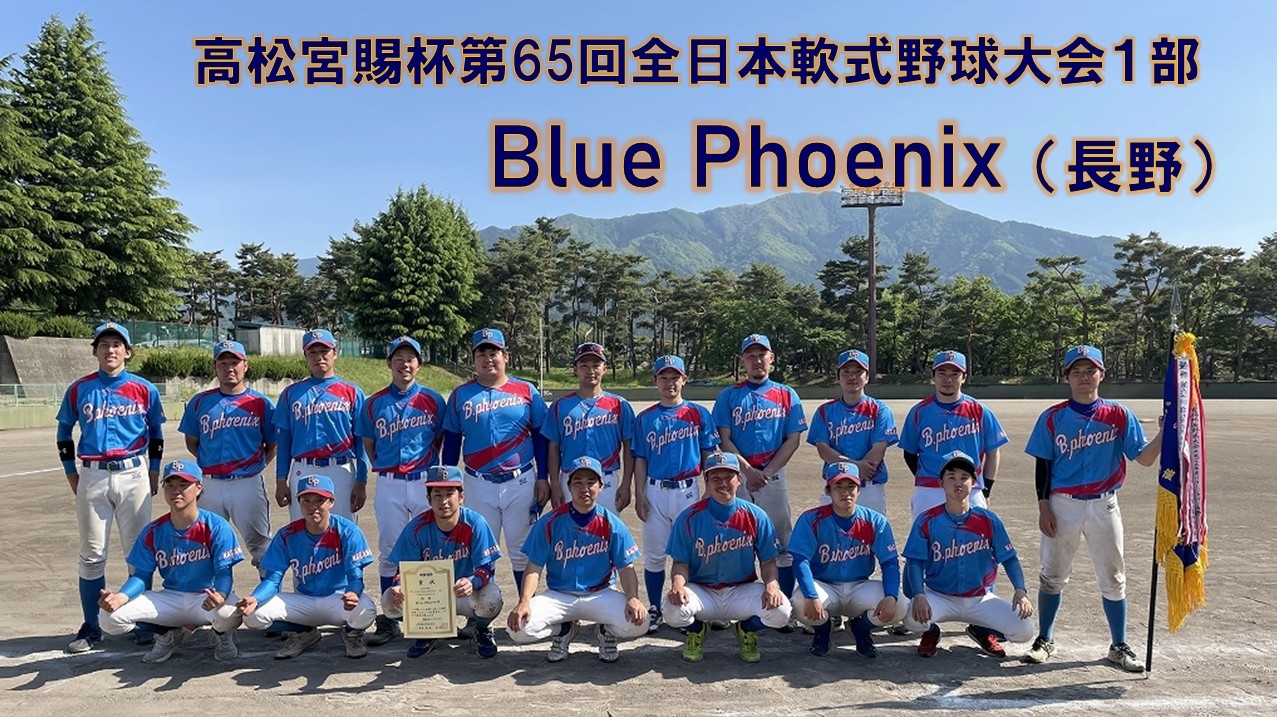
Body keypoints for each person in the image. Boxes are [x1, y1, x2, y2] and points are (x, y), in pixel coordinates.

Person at [1021, 345, 1163, 672]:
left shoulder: (1119, 414)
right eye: (1077, 371)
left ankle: (1119, 644)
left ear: (1102, 375)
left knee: (1113, 577)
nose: (1084, 377)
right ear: (1067, 377)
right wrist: (1044, 506)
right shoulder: (1053, 417)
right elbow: (1043, 465)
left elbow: (1143, 458)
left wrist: (1163, 433)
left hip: (1104, 503)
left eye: (1090, 371)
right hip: (1062, 503)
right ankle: (1045, 638)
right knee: (1053, 574)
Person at [56, 321, 166, 653]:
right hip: (93, 474)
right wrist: (70, 472)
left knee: (138, 552)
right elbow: (63, 433)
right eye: (104, 344)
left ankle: (141, 621)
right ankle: (92, 626)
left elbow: (156, 435)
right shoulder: (80, 389)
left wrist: (154, 471)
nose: (110, 350)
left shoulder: (145, 389)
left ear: (127, 352)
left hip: (134, 473)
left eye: (117, 344)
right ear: (95, 352)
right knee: (92, 555)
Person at [96, 460, 244, 663]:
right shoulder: (153, 530)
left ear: (199, 488)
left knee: (228, 614)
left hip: (206, 598)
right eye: (170, 485)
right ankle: (168, 634)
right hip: (171, 598)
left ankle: (222, 634)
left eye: (184, 485)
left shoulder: (216, 526)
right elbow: (141, 575)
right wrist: (121, 597)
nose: (176, 491)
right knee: (109, 618)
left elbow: (224, 572)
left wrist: (221, 594)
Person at [507, 457, 649, 663]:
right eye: (578, 482)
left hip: (600, 594)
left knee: (640, 622)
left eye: (591, 482)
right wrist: (524, 601)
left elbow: (626, 567)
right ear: (569, 486)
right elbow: (534, 567)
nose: (585, 488)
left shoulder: (611, 524)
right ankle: (564, 630)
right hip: (559, 596)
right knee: (518, 629)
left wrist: (632, 598)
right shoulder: (550, 522)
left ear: (601, 486)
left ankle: (606, 631)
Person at [442, 328, 549, 593]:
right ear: (473, 359)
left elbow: (540, 436)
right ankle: (481, 613)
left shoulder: (526, 390)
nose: (488, 359)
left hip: (520, 480)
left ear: (505, 356)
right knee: (479, 551)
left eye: (494, 353)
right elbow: (452, 441)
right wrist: (449, 485)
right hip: (477, 482)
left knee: (521, 551)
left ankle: (526, 606)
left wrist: (543, 477)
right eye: (481, 354)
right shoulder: (461, 395)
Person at [356, 335, 446, 647]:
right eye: (398, 359)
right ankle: (390, 617)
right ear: (389, 363)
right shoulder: (374, 403)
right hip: (390, 482)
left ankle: (429, 616)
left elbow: (438, 440)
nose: (404, 364)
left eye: (410, 359)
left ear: (419, 364)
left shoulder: (433, 400)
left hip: (424, 482)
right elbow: (369, 445)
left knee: (428, 548)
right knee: (390, 548)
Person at [901, 451, 1035, 659]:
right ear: (941, 482)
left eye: (964, 477)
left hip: (979, 599)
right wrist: (919, 595)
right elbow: (915, 562)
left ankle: (981, 630)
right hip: (939, 596)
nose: (958, 483)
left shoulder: (989, 520)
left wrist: (1020, 590)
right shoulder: (927, 520)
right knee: (911, 618)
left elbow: (1009, 558)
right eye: (951, 477)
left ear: (974, 482)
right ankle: (931, 631)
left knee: (1024, 630)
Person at [662, 452, 792, 663]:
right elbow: (680, 563)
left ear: (739, 479)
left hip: (741, 590)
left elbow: (768, 561)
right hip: (703, 591)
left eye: (728, 477)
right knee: (671, 609)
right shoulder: (689, 517)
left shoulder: (756, 515)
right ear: (706, 481)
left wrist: (772, 586)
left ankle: (746, 629)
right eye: (715, 478)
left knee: (781, 612)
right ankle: (697, 630)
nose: (722, 483)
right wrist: (677, 585)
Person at [712, 334, 807, 611]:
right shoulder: (729, 395)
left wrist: (765, 473)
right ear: (743, 360)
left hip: (773, 479)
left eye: (761, 355)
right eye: (750, 356)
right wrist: (748, 470)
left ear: (771, 358)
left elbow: (793, 439)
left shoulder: (786, 394)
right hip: (738, 480)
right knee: (733, 541)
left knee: (782, 545)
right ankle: (733, 607)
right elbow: (723, 438)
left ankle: (783, 604)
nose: (756, 360)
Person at [236, 474, 377, 659]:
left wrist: (353, 593)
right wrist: (255, 599)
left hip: (338, 600)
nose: (312, 506)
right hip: (304, 601)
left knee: (366, 609)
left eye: (320, 500)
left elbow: (355, 576)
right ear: (299, 503)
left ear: (331, 502)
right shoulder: (287, 534)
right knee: (253, 615)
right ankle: (304, 633)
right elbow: (272, 579)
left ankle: (352, 635)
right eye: (306, 501)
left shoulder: (348, 531)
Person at [632, 355, 721, 633]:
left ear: (684, 380)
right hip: (655, 491)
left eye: (675, 377)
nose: (669, 383)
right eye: (664, 377)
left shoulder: (698, 413)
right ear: (655, 381)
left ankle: (688, 606)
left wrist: (709, 489)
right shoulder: (645, 418)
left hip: (688, 490)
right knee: (655, 555)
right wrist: (639, 493)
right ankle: (655, 607)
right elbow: (640, 459)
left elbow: (709, 454)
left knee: (691, 554)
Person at [381, 465, 503, 659]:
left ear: (461, 497)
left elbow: (486, 568)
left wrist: (472, 582)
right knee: (389, 601)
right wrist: (399, 585)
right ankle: (429, 631)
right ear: (428, 499)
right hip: (429, 595)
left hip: (466, 593)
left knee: (491, 599)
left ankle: (482, 629)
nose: (444, 501)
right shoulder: (416, 527)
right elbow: (403, 570)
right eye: (437, 495)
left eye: (449, 494)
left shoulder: (475, 523)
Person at [789, 461, 906, 658]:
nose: (846, 493)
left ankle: (861, 627)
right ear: (828, 491)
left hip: (859, 587)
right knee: (800, 602)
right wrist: (811, 594)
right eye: (838, 487)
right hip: (824, 586)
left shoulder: (875, 521)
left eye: (851, 486)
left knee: (900, 604)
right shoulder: (812, 519)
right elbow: (800, 560)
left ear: (859, 490)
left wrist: (890, 596)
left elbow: (889, 563)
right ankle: (823, 629)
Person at [178, 340, 276, 570]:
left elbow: (272, 444)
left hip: (248, 482)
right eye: (223, 363)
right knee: (207, 544)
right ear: (215, 367)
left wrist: (255, 466)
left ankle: (269, 591)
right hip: (209, 482)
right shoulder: (200, 402)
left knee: (261, 545)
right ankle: (215, 591)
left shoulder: (260, 403)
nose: (229, 368)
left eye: (235, 362)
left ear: (245, 365)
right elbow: (192, 442)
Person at [898, 350, 1008, 520]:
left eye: (954, 374)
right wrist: (931, 477)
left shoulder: (980, 410)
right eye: (942, 373)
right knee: (925, 535)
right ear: (933, 377)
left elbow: (993, 452)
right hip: (929, 490)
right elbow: (909, 453)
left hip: (970, 488)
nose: (947, 379)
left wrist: (986, 489)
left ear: (964, 377)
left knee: (973, 536)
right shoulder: (919, 412)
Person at [273, 328, 368, 522]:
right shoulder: (291, 394)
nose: (319, 357)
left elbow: (361, 441)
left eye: (324, 351)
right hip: (303, 468)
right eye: (313, 352)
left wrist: (362, 480)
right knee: (301, 527)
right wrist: (281, 479)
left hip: (340, 469)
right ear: (305, 356)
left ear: (335, 353)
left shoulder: (352, 392)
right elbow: (284, 440)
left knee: (342, 528)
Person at [541, 342, 636, 513]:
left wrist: (626, 483)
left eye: (596, 365)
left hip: (607, 479)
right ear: (575, 370)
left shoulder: (619, 404)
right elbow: (553, 447)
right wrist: (554, 483)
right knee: (571, 527)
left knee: (606, 527)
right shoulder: (560, 406)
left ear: (604, 368)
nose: (590, 370)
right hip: (571, 479)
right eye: (584, 365)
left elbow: (629, 445)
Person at [807, 349, 899, 516]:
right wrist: (855, 468)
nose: (852, 377)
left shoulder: (880, 409)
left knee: (872, 530)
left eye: (858, 372)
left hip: (870, 486)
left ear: (867, 377)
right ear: (838, 377)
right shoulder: (824, 411)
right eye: (846, 372)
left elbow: (879, 449)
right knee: (830, 530)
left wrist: (858, 470)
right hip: (835, 486)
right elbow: (823, 449)